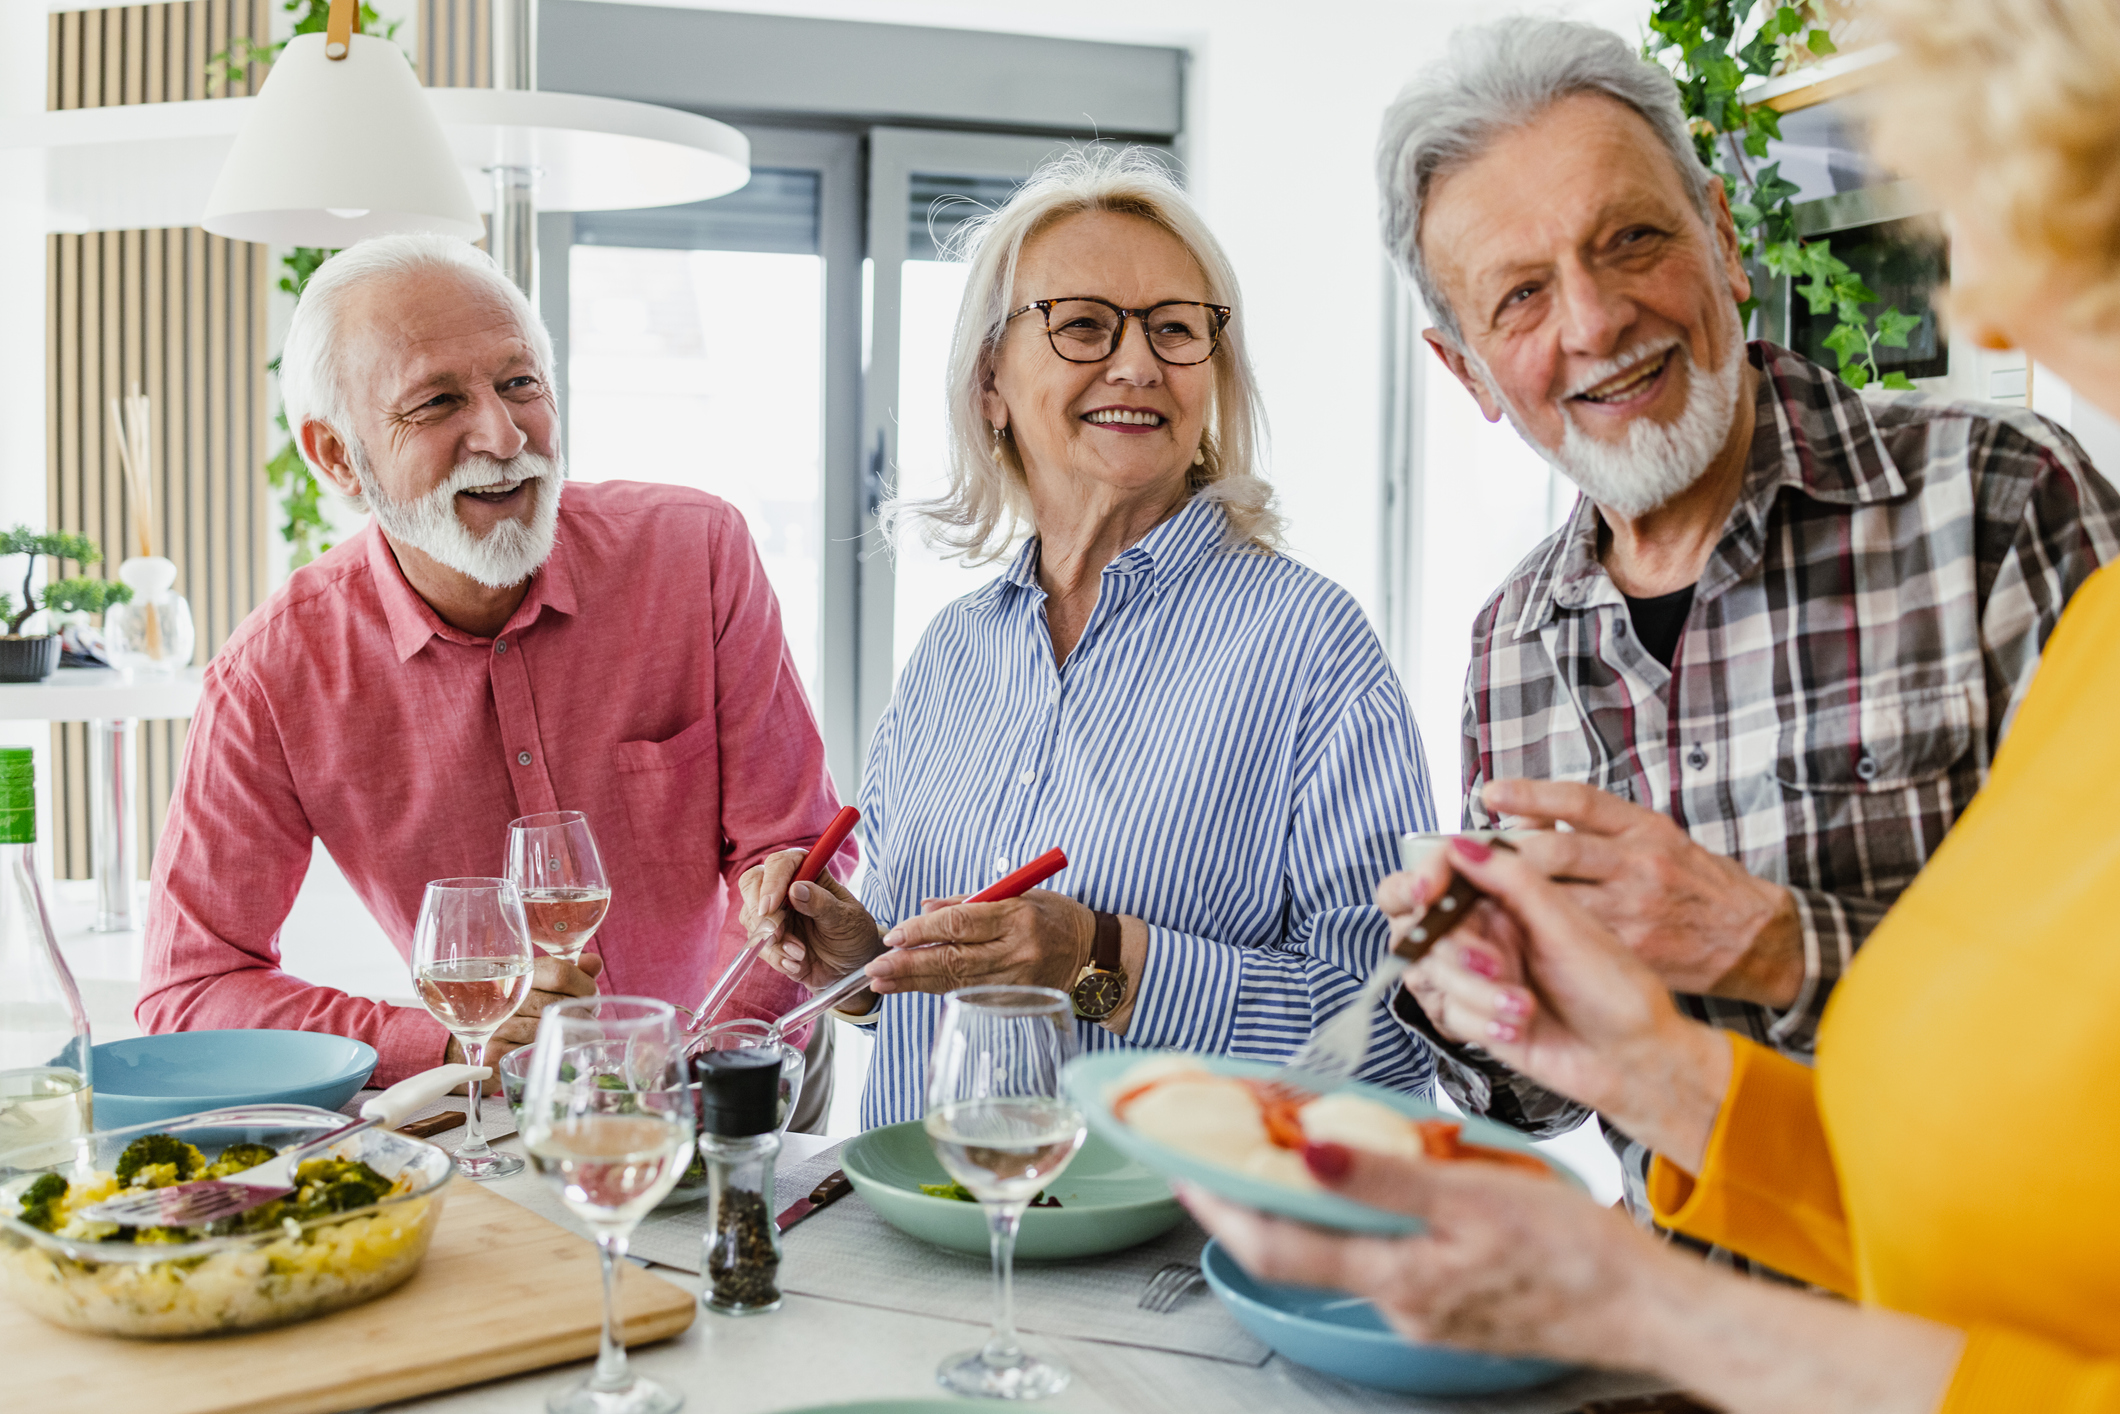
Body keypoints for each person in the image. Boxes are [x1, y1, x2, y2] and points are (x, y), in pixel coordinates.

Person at [1188, 1, 2120, 1407]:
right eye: (1518, 295)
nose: (1596, 319)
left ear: (1723, 241)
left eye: (1631, 240)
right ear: (1468, 373)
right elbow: (1541, 1099)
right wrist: (1479, 998)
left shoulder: (2000, 501)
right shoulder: (1512, 643)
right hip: (1658, 1343)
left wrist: (1771, 942)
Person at [742, 147, 1437, 1126]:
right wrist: (858, 963)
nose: (1137, 363)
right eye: (1080, 325)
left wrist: (1097, 958)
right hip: (914, 1235)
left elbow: (1390, 1045)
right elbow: (902, 990)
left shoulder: (1314, 651)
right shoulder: (950, 655)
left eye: (1174, 329)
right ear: (990, 381)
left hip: (1167, 1270)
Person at [137, 235, 850, 1128]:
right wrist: (449, 1040)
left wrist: (696, 1055)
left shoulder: (697, 553)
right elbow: (190, 994)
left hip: (742, 1073)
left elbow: (796, 852)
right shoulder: (272, 676)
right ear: (337, 458)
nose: (505, 439)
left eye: (520, 384)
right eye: (438, 401)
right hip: (504, 1116)